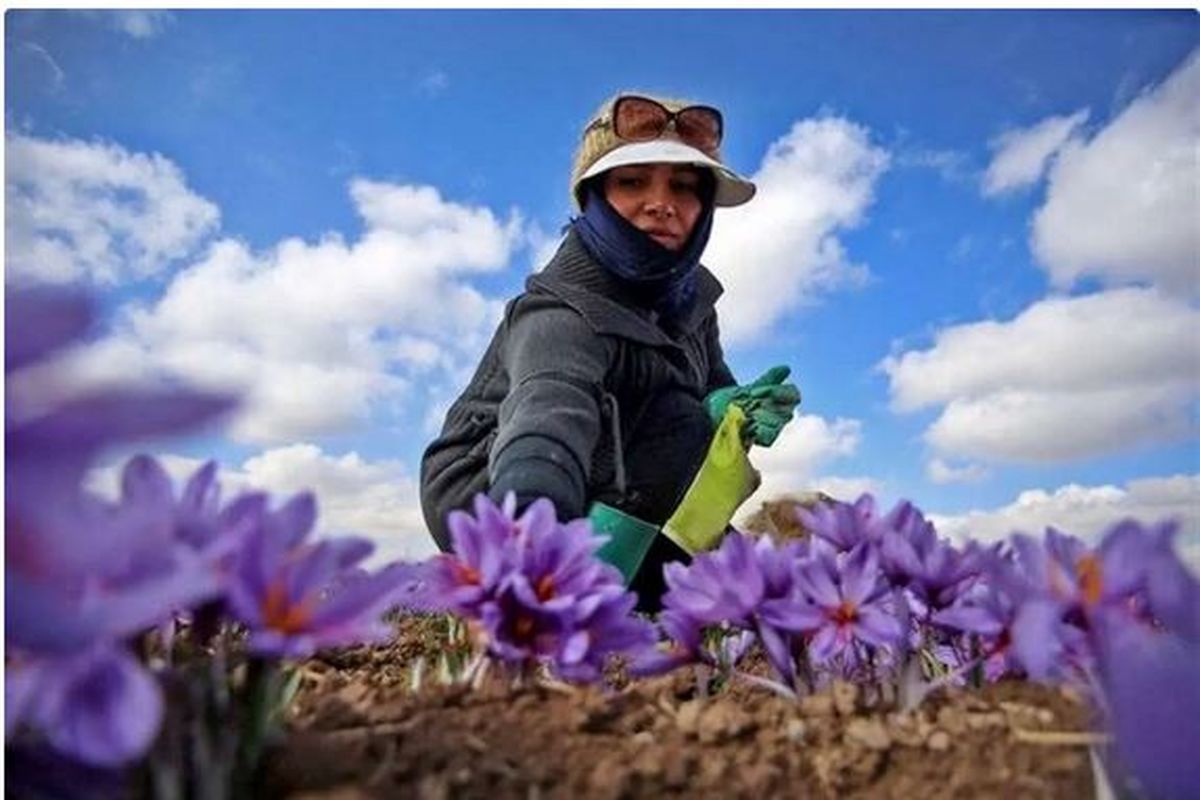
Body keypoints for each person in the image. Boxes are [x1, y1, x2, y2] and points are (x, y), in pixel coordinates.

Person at [419, 92, 800, 608]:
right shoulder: (561, 311)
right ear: (594, 195)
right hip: (493, 490)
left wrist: (735, 405)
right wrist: (530, 534)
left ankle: (629, 583)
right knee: (678, 425)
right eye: (632, 181)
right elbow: (546, 416)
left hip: (622, 469)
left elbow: (709, 385)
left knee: (747, 581)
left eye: (685, 187)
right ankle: (556, 592)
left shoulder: (694, 305)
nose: (661, 202)